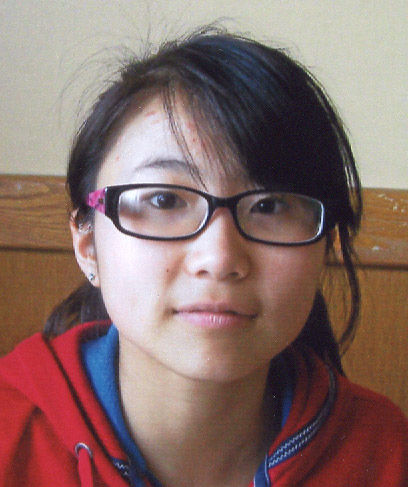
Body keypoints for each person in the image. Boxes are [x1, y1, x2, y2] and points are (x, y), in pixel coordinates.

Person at [0, 27, 407, 487]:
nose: (219, 258)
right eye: (164, 200)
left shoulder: (386, 456)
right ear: (87, 243)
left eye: (270, 206)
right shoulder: (10, 436)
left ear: (324, 245)